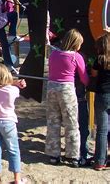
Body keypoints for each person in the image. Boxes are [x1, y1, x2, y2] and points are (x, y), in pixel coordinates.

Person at [45, 29, 89, 167]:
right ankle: (73, 156)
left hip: (51, 88)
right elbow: (84, 77)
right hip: (66, 89)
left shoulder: (54, 54)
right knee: (71, 123)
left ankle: (53, 154)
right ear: (76, 44)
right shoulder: (76, 57)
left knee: (53, 121)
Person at [0, 63, 27, 184]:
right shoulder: (12, 90)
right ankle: (17, 178)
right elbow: (10, 86)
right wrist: (15, 83)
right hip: (8, 122)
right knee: (13, 149)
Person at [91, 32, 110, 171]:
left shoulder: (99, 59)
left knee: (102, 130)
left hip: (102, 95)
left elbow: (94, 74)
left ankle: (100, 161)